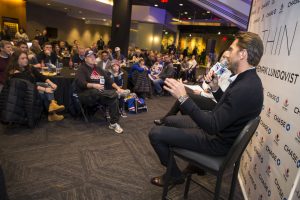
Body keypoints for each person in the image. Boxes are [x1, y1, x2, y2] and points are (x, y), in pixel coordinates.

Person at [148, 31, 264, 187]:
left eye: (231, 49)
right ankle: (194, 165)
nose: (227, 54)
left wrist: (183, 97)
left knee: (155, 133)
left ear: (242, 54)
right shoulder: (248, 80)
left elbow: (211, 126)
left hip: (216, 141)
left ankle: (174, 176)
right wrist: (216, 88)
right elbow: (229, 107)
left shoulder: (245, 87)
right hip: (219, 132)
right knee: (168, 120)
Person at [154, 50, 231, 126]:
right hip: (206, 94)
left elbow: (219, 96)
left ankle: (168, 119)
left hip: (214, 102)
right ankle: (181, 121)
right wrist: (207, 88)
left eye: (228, 58)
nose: (224, 60)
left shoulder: (229, 74)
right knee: (183, 99)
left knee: (184, 97)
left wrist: (202, 93)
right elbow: (205, 82)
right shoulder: (217, 67)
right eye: (223, 56)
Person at [74, 50, 125, 134]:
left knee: (113, 100)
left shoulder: (98, 68)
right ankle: (115, 93)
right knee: (96, 91)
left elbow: (108, 80)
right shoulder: (81, 69)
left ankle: (113, 123)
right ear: (85, 59)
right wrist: (94, 85)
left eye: (94, 56)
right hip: (86, 95)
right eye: (90, 57)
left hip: (100, 94)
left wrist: (118, 88)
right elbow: (81, 83)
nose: (93, 58)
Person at [5, 50, 65, 121]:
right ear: (16, 60)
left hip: (32, 87)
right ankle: (51, 113)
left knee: (49, 86)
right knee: (45, 92)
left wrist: (51, 83)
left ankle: (52, 106)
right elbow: (28, 86)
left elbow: (40, 76)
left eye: (26, 58)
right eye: (22, 58)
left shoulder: (29, 67)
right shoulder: (15, 72)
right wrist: (45, 89)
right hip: (22, 92)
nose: (26, 60)